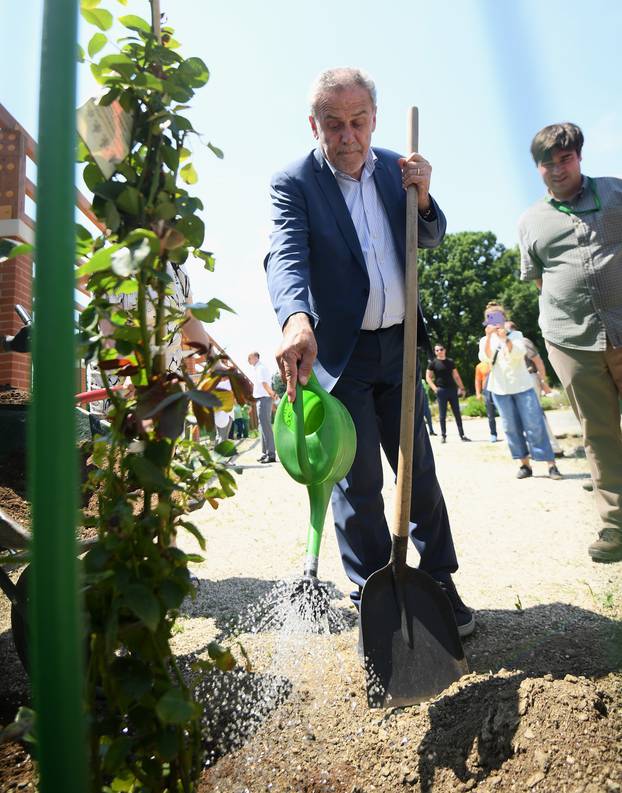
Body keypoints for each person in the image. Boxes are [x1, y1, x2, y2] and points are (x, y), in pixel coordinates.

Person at [264, 67, 474, 636]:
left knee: (419, 476)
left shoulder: (398, 172)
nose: (349, 136)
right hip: (343, 355)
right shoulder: (295, 183)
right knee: (357, 486)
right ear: (315, 125)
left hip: (402, 348)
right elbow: (285, 258)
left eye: (359, 122)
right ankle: (374, 597)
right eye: (334, 125)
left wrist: (425, 198)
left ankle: (438, 584)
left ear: (374, 119)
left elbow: (429, 234)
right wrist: (296, 319)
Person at [518, 122, 622, 563]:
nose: (558, 169)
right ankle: (616, 526)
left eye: (566, 159)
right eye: (548, 163)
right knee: (599, 433)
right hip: (571, 338)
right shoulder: (531, 221)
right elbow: (540, 279)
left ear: (579, 157)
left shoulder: (616, 193)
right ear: (538, 168)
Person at [478, 302, 563, 480]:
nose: (494, 321)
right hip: (500, 389)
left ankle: (551, 464)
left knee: (535, 424)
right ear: (486, 321)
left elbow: (518, 354)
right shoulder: (485, 340)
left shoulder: (516, 335)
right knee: (510, 428)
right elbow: (485, 360)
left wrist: (505, 338)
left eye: (497, 317)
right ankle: (524, 464)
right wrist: (489, 338)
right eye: (490, 318)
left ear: (504, 318)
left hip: (523, 386)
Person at [504, 320, 563, 457]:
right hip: (518, 381)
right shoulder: (507, 344)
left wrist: (543, 382)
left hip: (530, 378)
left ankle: (554, 448)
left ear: (513, 330)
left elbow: (538, 361)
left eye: (506, 329)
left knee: (536, 414)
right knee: (530, 416)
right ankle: (541, 448)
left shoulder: (523, 341)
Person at [426, 344, 470, 443]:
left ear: (444, 350)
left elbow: (456, 376)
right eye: (437, 350)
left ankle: (462, 435)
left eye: (441, 349)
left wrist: (462, 388)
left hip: (452, 390)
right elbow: (428, 377)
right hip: (441, 391)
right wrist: (434, 388)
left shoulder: (450, 362)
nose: (439, 351)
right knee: (442, 415)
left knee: (457, 413)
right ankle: (443, 436)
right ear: (435, 352)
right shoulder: (433, 363)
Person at [248, 351, 277, 463]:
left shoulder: (260, 368)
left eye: (249, 358)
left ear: (255, 357)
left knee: (266, 427)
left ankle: (271, 454)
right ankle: (265, 453)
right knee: (263, 427)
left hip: (264, 399)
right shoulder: (258, 368)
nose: (248, 360)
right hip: (262, 399)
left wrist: (272, 395)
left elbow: (264, 383)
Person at [474, 360, 498, 442]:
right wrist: (478, 393)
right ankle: (493, 434)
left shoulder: (497, 361)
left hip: (498, 387)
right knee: (490, 414)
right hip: (487, 390)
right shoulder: (480, 366)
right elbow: (477, 380)